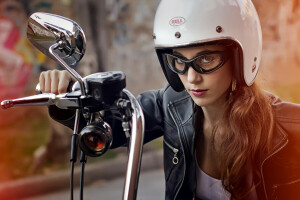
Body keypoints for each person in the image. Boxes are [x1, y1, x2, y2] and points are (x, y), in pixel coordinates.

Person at [38, 0, 300, 199]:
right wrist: (67, 95)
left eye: (206, 59)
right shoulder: (170, 104)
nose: (192, 77)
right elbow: (113, 128)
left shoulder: (288, 128)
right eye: (179, 61)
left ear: (239, 55)